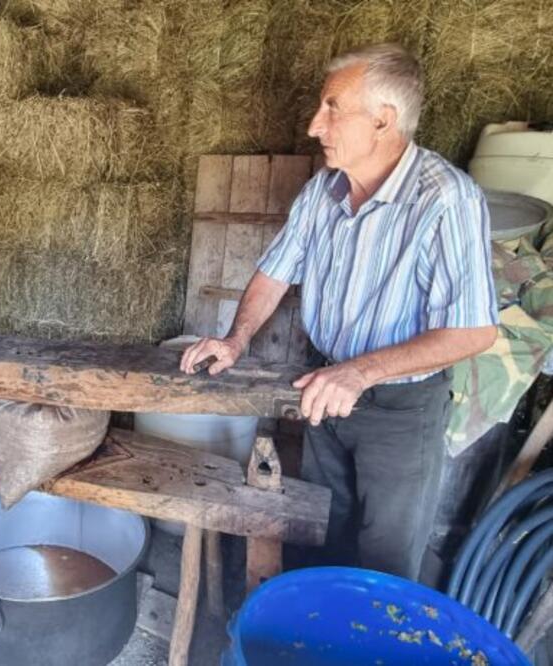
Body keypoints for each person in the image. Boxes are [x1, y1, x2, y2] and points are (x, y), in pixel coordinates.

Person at [180, 43, 499, 580]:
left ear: (383, 119)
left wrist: (359, 372)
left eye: (332, 108)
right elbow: (275, 271)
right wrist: (235, 339)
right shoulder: (322, 192)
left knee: (386, 559)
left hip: (400, 409)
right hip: (323, 386)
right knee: (320, 531)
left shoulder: (445, 200)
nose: (313, 125)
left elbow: (474, 330)